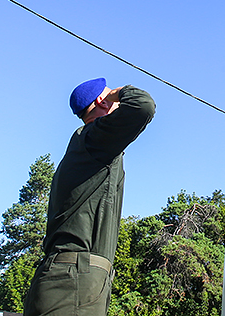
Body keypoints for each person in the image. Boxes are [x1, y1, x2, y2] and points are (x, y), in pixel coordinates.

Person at [24, 78, 155, 316]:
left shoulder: (84, 146)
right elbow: (142, 105)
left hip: (66, 279)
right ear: (102, 102)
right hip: (73, 282)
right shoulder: (94, 140)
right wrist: (117, 93)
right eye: (109, 96)